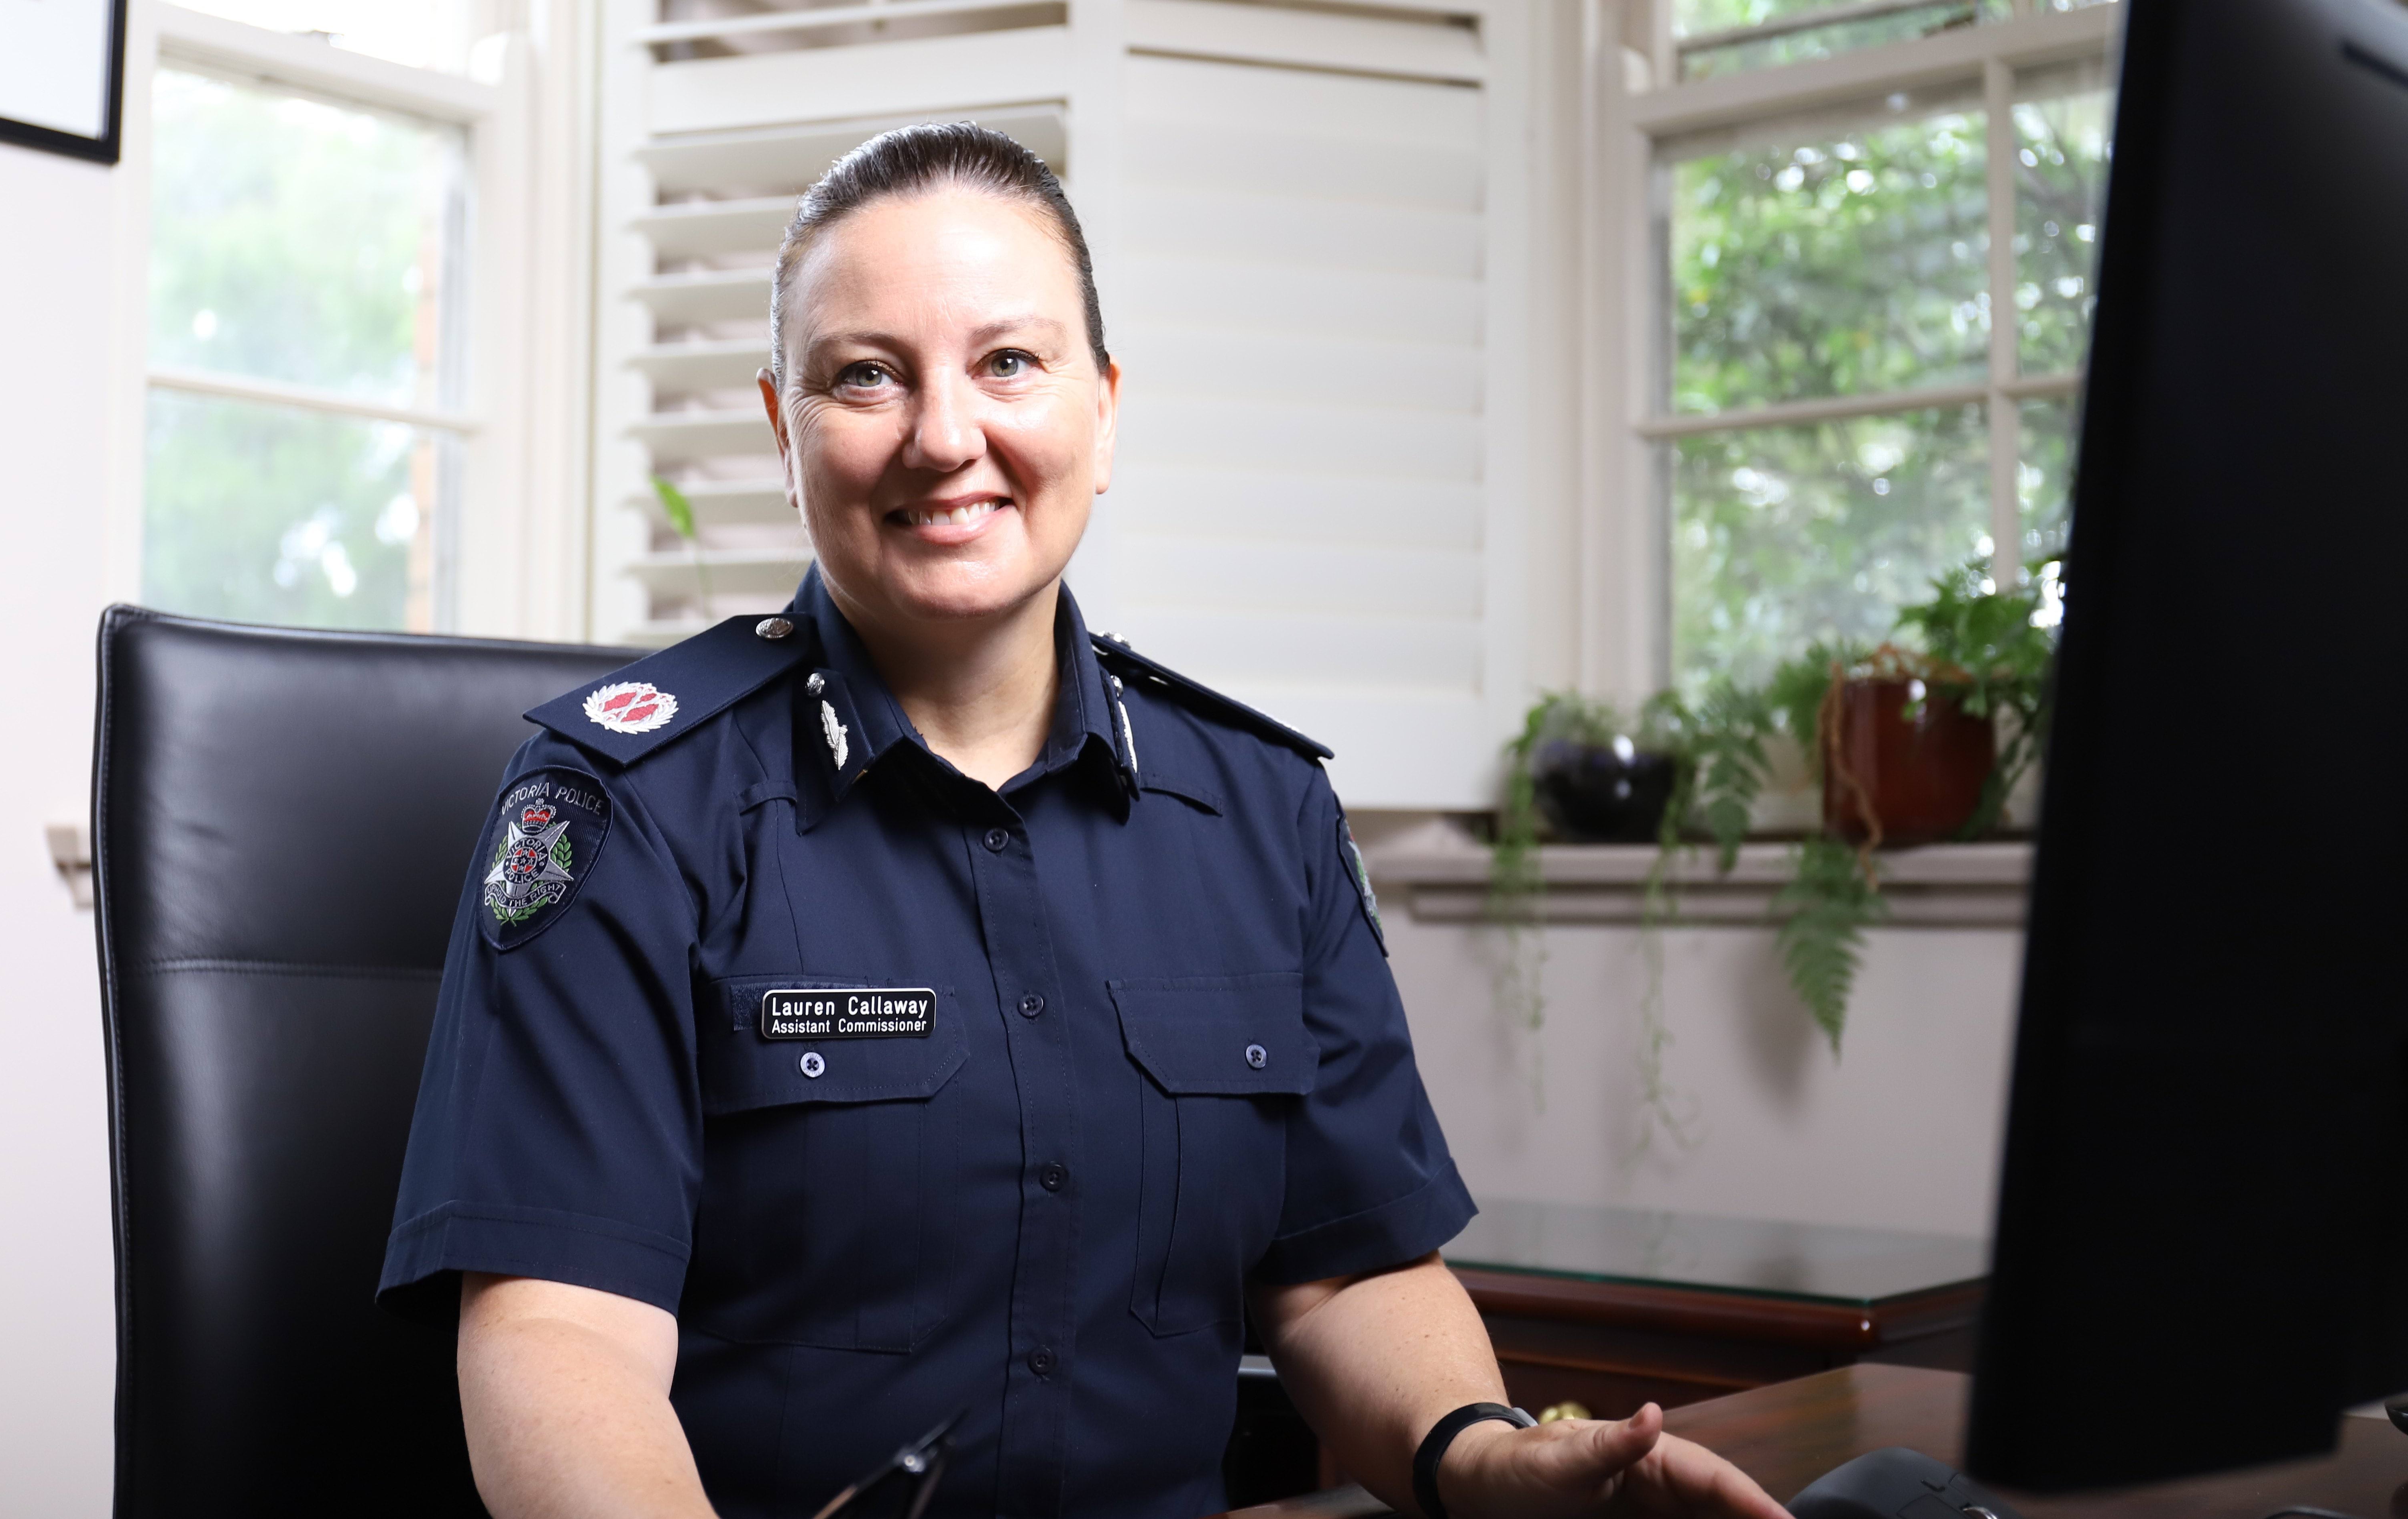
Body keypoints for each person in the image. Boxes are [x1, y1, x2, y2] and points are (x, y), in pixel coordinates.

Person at [380, 123, 1791, 1519]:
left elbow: (1347, 1264)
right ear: (784, 431)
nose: (947, 437)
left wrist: (1482, 1461)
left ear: (1103, 411)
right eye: (866, 376)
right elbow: (562, 1335)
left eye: (1009, 362)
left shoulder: (1259, 809)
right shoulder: (627, 807)